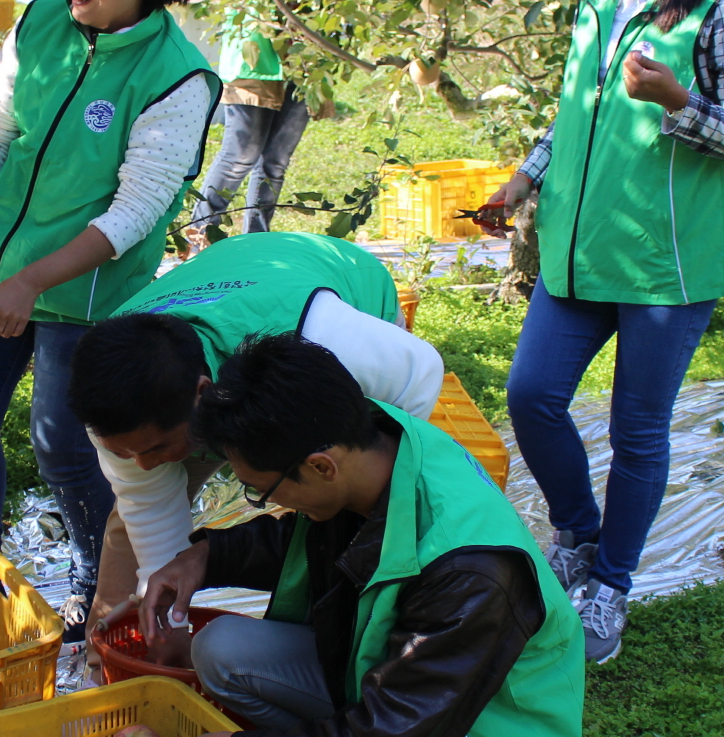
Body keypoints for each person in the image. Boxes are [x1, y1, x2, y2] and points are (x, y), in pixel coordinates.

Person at [147, 334, 583, 737]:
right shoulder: (373, 444)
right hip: (403, 697)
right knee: (222, 651)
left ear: (321, 465)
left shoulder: (471, 575)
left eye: (263, 493)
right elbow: (307, 535)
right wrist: (208, 556)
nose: (267, 506)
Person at [483, 0, 724, 664]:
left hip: (667, 264)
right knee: (532, 396)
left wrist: (681, 101)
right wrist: (526, 176)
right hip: (580, 251)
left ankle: (609, 583)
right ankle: (577, 535)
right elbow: (576, 111)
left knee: (637, 429)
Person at [0, 0, 222, 640]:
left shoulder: (177, 77)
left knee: (64, 444)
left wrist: (34, 282)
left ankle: (97, 582)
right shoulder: (40, 25)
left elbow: (133, 214)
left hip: (83, 297)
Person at [67, 231, 444, 666]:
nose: (145, 464)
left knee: (340, 501)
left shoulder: (327, 339)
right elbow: (150, 510)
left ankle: (345, 637)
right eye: (127, 452)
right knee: (131, 522)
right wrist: (170, 618)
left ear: (203, 393)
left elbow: (420, 372)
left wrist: (368, 508)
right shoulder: (112, 395)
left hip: (329, 286)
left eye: (156, 447)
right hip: (228, 286)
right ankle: (109, 663)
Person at [187, 0, 312, 243]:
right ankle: (201, 235)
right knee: (240, 156)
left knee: (274, 162)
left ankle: (255, 242)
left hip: (303, 63)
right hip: (255, 62)